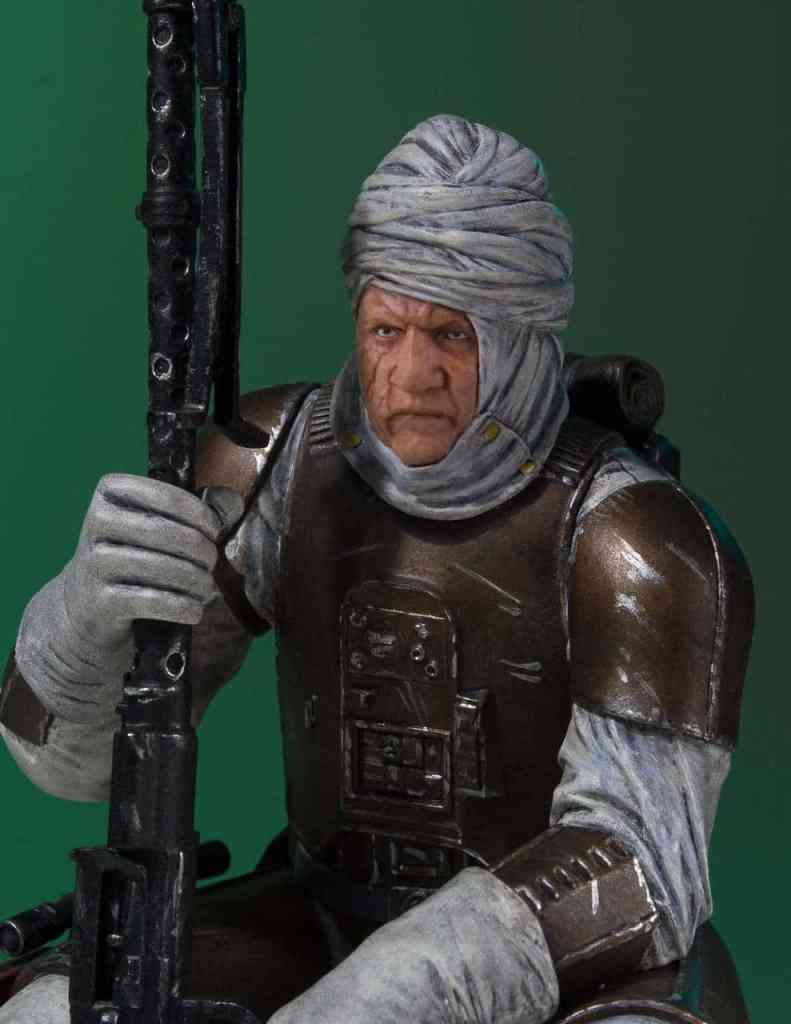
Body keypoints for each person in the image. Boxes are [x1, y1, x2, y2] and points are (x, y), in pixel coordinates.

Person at [0, 115, 754, 1024]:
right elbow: (79, 770)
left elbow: (643, 868)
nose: (411, 374)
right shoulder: (277, 469)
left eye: (452, 335)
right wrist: (81, 622)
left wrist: (410, 983)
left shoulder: (633, 536)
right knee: (53, 1010)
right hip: (320, 911)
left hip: (564, 959)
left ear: (520, 336)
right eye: (386, 328)